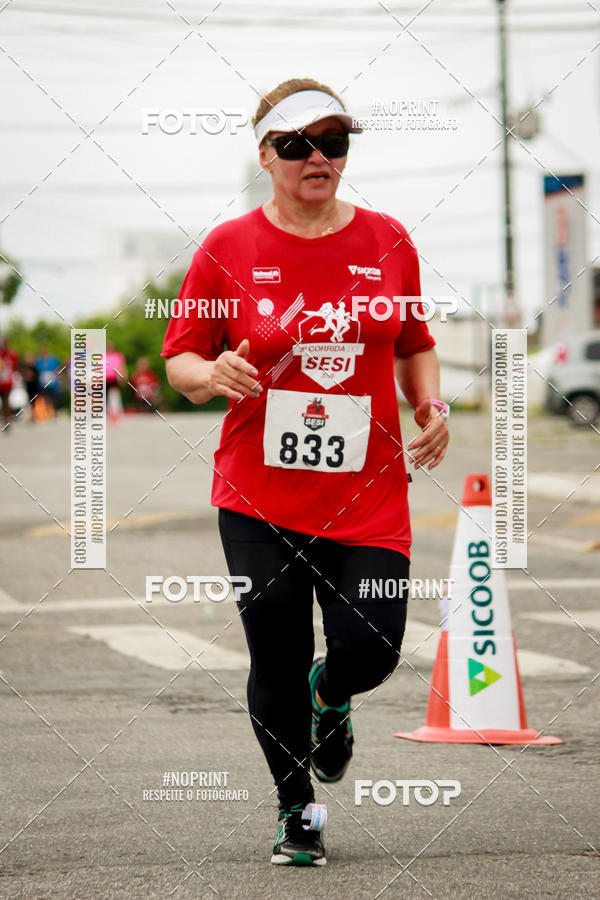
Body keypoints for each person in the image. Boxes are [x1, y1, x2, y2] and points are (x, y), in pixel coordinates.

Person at [162, 78, 449, 867]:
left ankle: (333, 693)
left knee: (373, 649)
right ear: (266, 156)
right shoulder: (227, 248)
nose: (317, 156)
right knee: (274, 658)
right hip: (258, 497)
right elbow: (180, 357)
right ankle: (299, 813)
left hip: (369, 495)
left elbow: (415, 343)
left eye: (333, 141)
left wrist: (430, 406)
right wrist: (211, 373)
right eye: (296, 144)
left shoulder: (389, 240)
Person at [0, 337, 19, 429]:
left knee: (5, 402)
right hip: (4, 382)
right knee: (5, 402)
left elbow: (15, 367)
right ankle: (6, 420)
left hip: (6, 383)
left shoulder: (11, 355)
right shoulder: (10, 355)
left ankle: (7, 420)